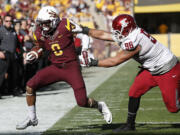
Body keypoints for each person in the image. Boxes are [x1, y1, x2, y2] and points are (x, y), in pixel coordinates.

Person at [71, 14, 180, 132]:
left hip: (167, 69)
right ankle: (130, 125)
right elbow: (104, 35)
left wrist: (92, 63)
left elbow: (115, 61)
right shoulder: (130, 33)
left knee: (173, 108)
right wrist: (84, 29)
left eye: (118, 31)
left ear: (127, 29)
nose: (116, 34)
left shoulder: (134, 40)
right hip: (151, 69)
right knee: (134, 91)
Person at [16, 6, 112, 130]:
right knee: (30, 85)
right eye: (42, 23)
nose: (43, 26)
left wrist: (84, 50)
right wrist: (34, 53)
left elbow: (84, 36)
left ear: (55, 20)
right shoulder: (39, 31)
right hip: (55, 67)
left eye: (46, 23)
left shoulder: (65, 24)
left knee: (82, 102)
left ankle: (99, 106)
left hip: (72, 67)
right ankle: (32, 118)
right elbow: (39, 46)